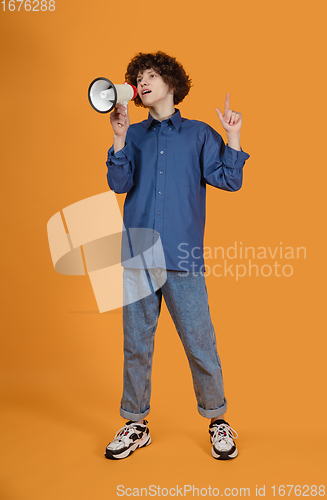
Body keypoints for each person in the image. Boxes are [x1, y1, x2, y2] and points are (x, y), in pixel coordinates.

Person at [104, 51, 250, 461]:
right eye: (137, 77)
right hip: (137, 256)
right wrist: (117, 138)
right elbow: (119, 182)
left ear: (170, 82)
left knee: (199, 343)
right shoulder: (133, 134)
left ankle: (218, 421)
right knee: (136, 345)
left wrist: (234, 137)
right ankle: (135, 423)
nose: (142, 82)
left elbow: (229, 180)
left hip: (182, 257)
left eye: (150, 75)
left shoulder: (200, 134)